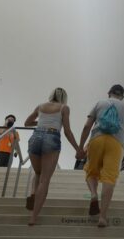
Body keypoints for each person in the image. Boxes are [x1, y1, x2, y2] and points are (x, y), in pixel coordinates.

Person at [76, 84, 124, 227]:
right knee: (109, 178)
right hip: (116, 144)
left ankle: (93, 194)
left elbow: (86, 126)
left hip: (96, 140)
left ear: (109, 93)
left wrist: (80, 148)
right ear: (122, 96)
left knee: (91, 171)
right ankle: (102, 217)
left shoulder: (99, 103)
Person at [23, 87, 81, 226]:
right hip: (52, 136)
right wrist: (78, 149)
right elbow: (67, 131)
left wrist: (41, 122)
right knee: (45, 180)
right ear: (64, 98)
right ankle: (33, 217)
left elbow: (27, 123)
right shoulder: (64, 108)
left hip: (36, 136)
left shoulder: (40, 106)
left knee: (38, 173)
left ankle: (33, 192)